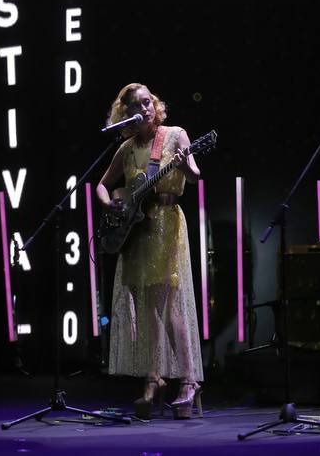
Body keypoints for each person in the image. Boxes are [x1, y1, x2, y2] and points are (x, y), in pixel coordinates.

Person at [96, 82, 204, 419]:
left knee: (169, 303)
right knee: (143, 305)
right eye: (138, 106)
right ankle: (153, 378)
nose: (146, 108)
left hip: (165, 225)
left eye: (149, 102)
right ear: (126, 114)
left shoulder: (174, 135)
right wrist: (111, 206)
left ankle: (189, 381)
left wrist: (185, 165)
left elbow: (197, 176)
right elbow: (102, 184)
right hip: (136, 228)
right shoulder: (126, 147)